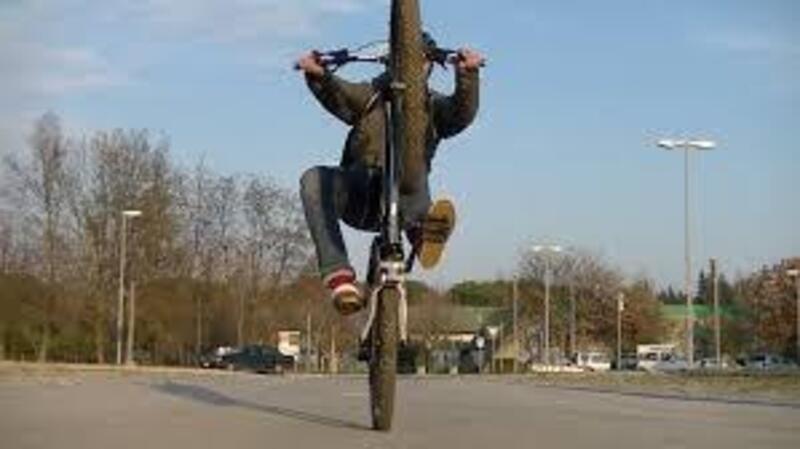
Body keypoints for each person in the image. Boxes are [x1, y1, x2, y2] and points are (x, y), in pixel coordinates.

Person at [296, 32, 484, 315]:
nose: (412, 68)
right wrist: (318, 75)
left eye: (420, 61)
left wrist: (467, 76)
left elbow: (461, 112)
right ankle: (340, 279)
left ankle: (423, 234)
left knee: (411, 171)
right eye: (405, 59)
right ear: (390, 61)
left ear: (431, 66)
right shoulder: (369, 95)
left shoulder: (434, 106)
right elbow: (339, 95)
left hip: (407, 202)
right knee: (313, 179)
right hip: (360, 198)